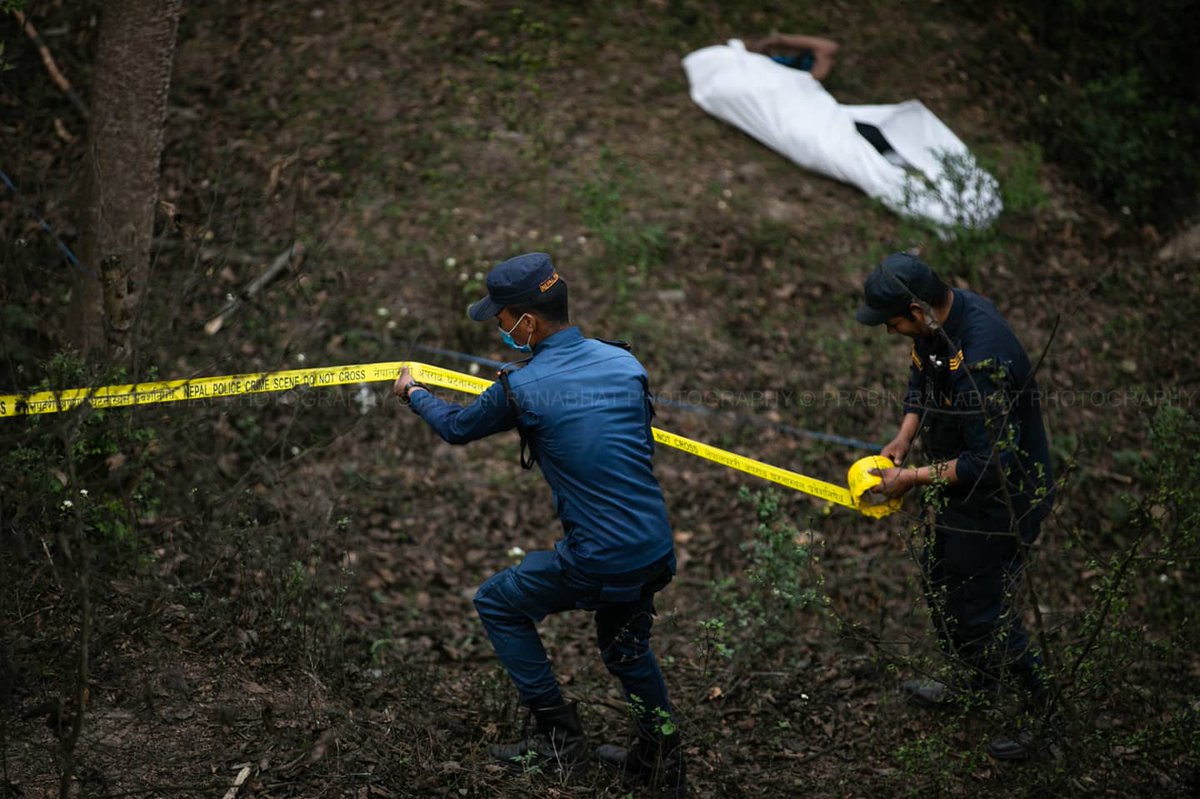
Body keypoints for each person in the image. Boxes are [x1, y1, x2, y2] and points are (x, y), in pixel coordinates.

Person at [393, 252, 686, 795]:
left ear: (527, 321)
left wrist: (414, 392)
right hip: (655, 549)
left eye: (502, 318)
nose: (499, 328)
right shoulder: (625, 363)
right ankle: (663, 757)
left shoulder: (520, 387)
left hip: (600, 558)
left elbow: (457, 428)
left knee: (497, 602)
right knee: (626, 649)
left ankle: (559, 737)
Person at [855, 252, 1056, 760]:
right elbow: (921, 379)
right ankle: (975, 687)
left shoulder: (981, 357)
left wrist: (910, 480)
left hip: (1002, 499)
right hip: (958, 487)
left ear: (919, 310)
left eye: (894, 321)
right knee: (943, 581)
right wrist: (903, 438)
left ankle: (1047, 718)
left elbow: (989, 463)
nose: (889, 330)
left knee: (983, 608)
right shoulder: (933, 330)